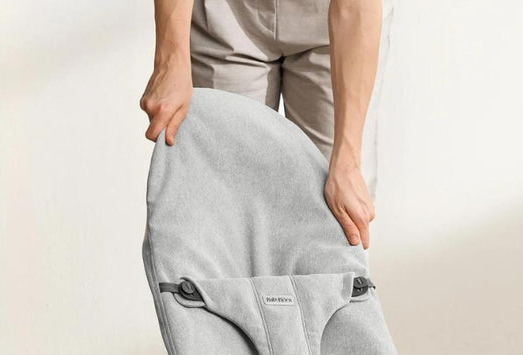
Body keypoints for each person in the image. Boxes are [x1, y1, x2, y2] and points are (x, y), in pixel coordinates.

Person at [140, 0, 393, 250]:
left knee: (339, 218)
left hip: (334, 21)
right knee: (222, 211)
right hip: (227, 16)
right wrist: (170, 61)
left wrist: (347, 161)